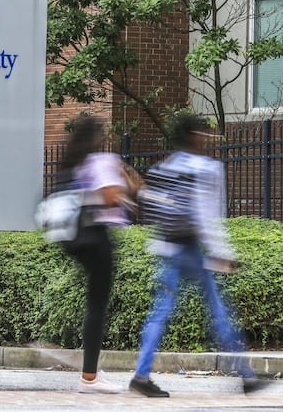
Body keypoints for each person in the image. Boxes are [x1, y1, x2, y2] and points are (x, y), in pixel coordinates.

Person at [129, 114, 263, 397]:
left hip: (167, 248)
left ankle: (141, 375)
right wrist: (222, 253)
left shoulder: (166, 166)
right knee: (218, 310)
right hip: (191, 251)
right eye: (204, 134)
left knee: (159, 313)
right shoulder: (207, 168)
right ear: (194, 136)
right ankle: (246, 374)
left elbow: (154, 208)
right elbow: (207, 216)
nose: (207, 139)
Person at [57, 115, 136, 394]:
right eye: (102, 134)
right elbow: (111, 196)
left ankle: (90, 374)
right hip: (97, 238)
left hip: (75, 239)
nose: (105, 138)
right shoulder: (101, 162)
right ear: (95, 138)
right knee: (97, 306)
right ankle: (89, 377)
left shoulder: (74, 163)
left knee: (94, 305)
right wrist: (124, 177)